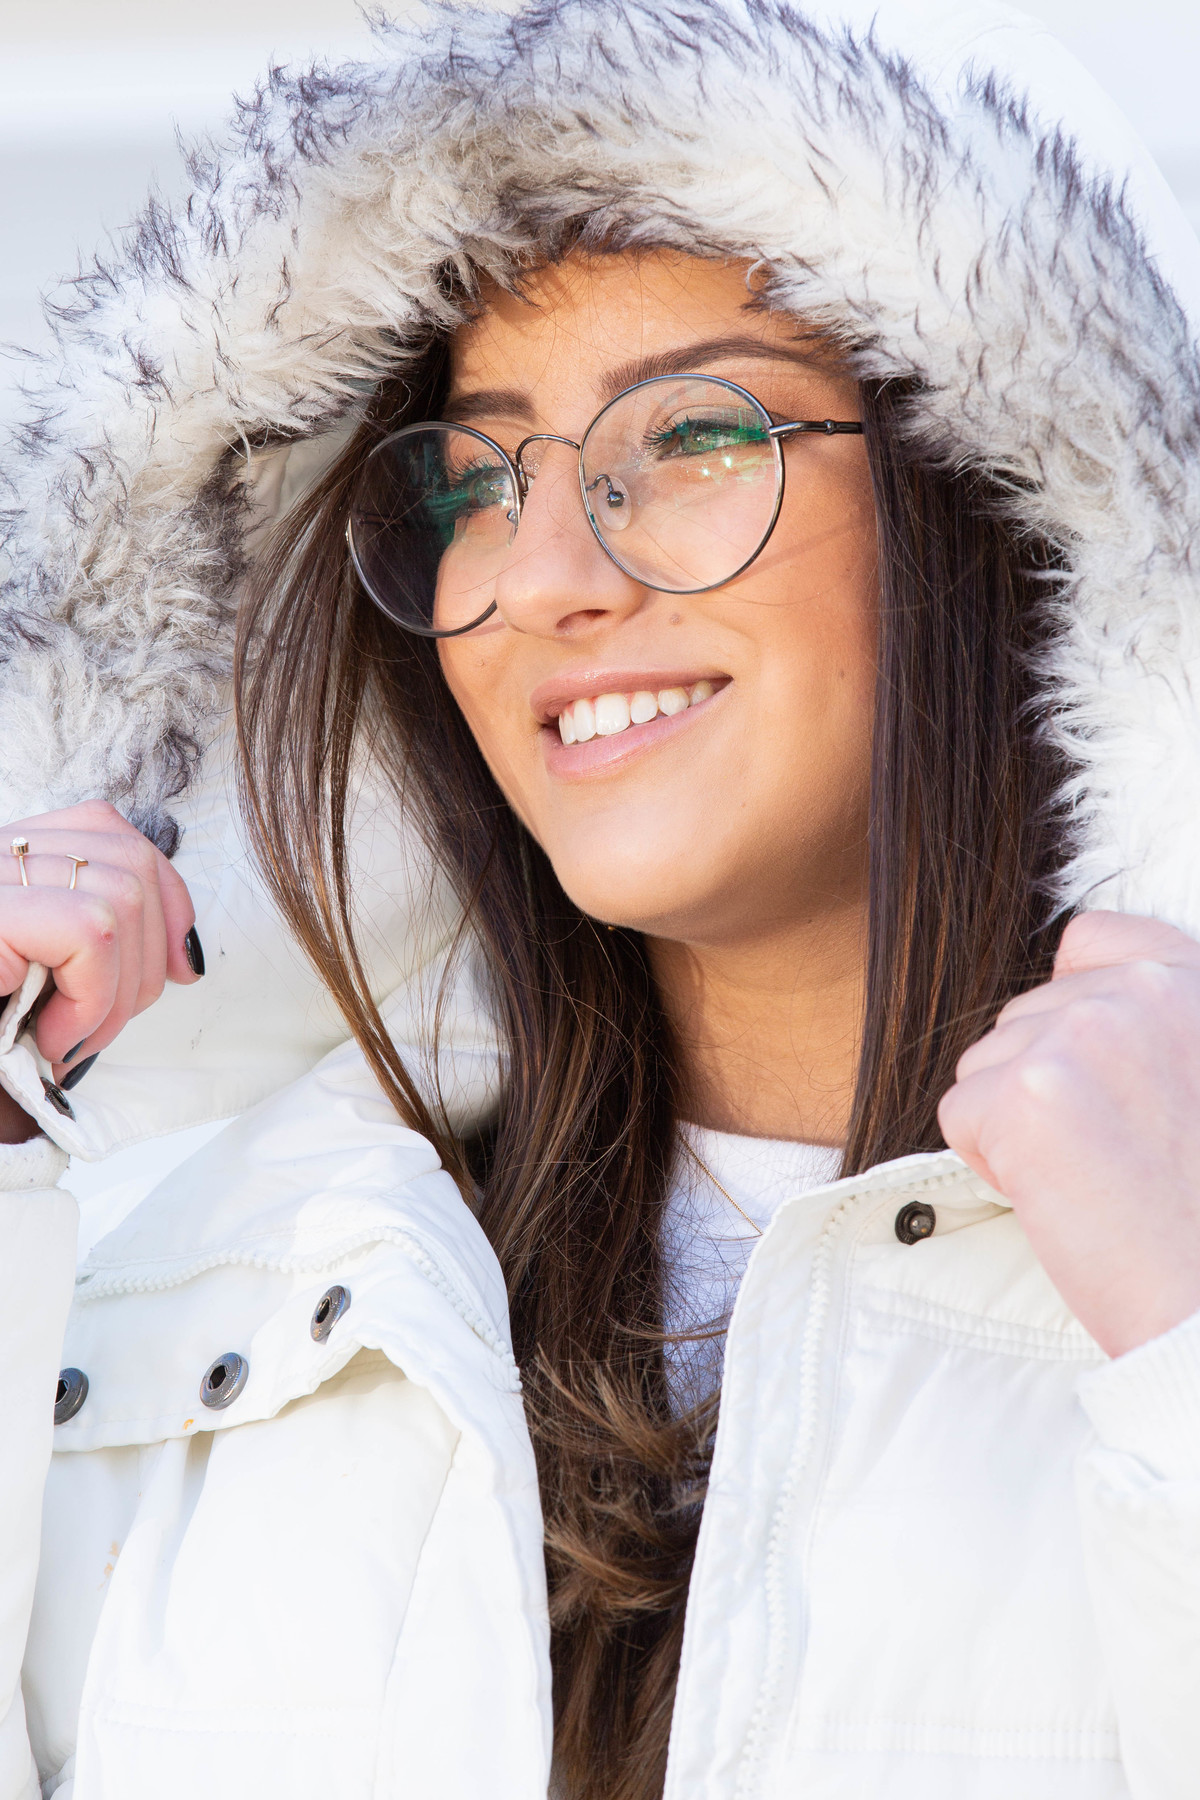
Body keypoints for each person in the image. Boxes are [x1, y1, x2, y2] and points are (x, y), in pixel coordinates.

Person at [1, 0, 1199, 1795]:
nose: (547, 577)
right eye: (478, 480)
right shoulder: (181, 1297)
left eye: (697, 435)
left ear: (1018, 492)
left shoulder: (1172, 1272)